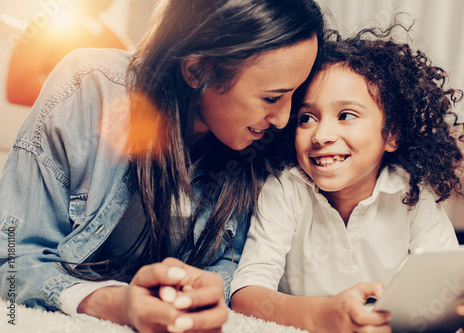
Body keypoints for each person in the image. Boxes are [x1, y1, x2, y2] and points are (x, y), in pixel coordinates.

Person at [0, 0, 325, 332]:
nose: (284, 120)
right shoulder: (87, 85)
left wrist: (209, 291)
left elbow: (230, 268)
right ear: (197, 70)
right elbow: (11, 257)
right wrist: (111, 302)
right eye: (272, 98)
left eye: (294, 96)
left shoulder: (259, 150)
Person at [230, 26, 464, 333]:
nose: (321, 135)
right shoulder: (285, 188)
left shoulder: (412, 195)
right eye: (307, 118)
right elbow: (245, 298)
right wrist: (323, 316)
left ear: (392, 134)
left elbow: (450, 287)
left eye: (346, 115)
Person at [6, 0, 133, 106]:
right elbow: (18, 87)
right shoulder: (44, 25)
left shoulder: (117, 41)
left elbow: (131, 91)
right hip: (56, 128)